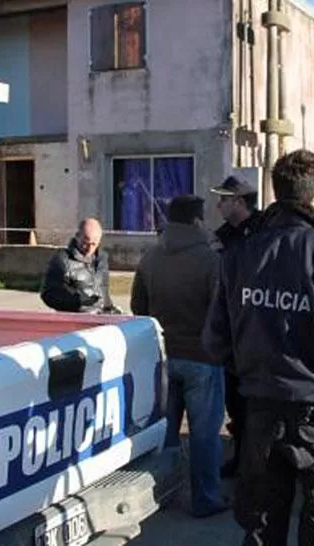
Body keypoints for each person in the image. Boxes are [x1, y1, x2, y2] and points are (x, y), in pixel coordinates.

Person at [202, 149, 314, 545]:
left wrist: (256, 369)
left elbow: (216, 341)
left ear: (276, 192)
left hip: (261, 410)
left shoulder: (240, 253)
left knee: (262, 526)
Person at [130, 194, 229, 518]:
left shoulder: (150, 258)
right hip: (203, 357)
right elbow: (222, 310)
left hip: (163, 356)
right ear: (197, 220)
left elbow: (138, 307)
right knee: (204, 434)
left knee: (166, 432)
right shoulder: (211, 260)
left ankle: (163, 493)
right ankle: (205, 498)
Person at [209, 175, 261, 479]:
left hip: (256, 330)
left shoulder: (263, 234)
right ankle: (242, 458)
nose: (219, 205)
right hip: (231, 333)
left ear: (240, 202)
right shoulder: (224, 237)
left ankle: (259, 465)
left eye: (224, 199)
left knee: (259, 408)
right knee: (237, 405)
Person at [40, 217, 121, 314]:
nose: (89, 249)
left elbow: (103, 291)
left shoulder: (101, 260)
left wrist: (109, 308)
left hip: (99, 316)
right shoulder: (62, 259)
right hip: (74, 317)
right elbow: (48, 294)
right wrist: (79, 301)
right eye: (85, 243)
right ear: (77, 236)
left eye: (94, 244)